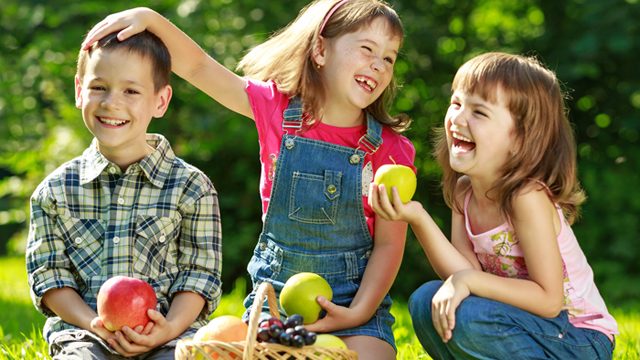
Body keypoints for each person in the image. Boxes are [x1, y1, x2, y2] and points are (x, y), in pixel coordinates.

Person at [82, 0, 415, 358]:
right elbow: (197, 67)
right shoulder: (275, 111)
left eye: (389, 58)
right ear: (320, 50)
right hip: (276, 309)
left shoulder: (391, 150)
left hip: (356, 310)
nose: (378, 65)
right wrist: (149, 19)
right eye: (367, 49)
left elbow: (388, 245)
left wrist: (359, 311)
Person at [370, 52, 618, 359]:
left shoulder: (526, 197)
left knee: (469, 315)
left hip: (580, 338)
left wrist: (468, 280)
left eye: (479, 112)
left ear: (520, 139)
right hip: (523, 325)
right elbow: (463, 273)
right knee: (425, 302)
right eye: (457, 103)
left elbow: (548, 300)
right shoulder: (465, 191)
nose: (458, 119)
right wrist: (418, 218)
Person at [26, 30, 222, 359]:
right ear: (79, 90)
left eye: (131, 90)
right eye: (98, 87)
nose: (111, 102)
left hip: (169, 336)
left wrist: (170, 328)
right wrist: (93, 323)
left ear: (160, 100)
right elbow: (49, 276)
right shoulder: (55, 191)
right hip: (85, 334)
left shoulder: (192, 188)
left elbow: (199, 274)